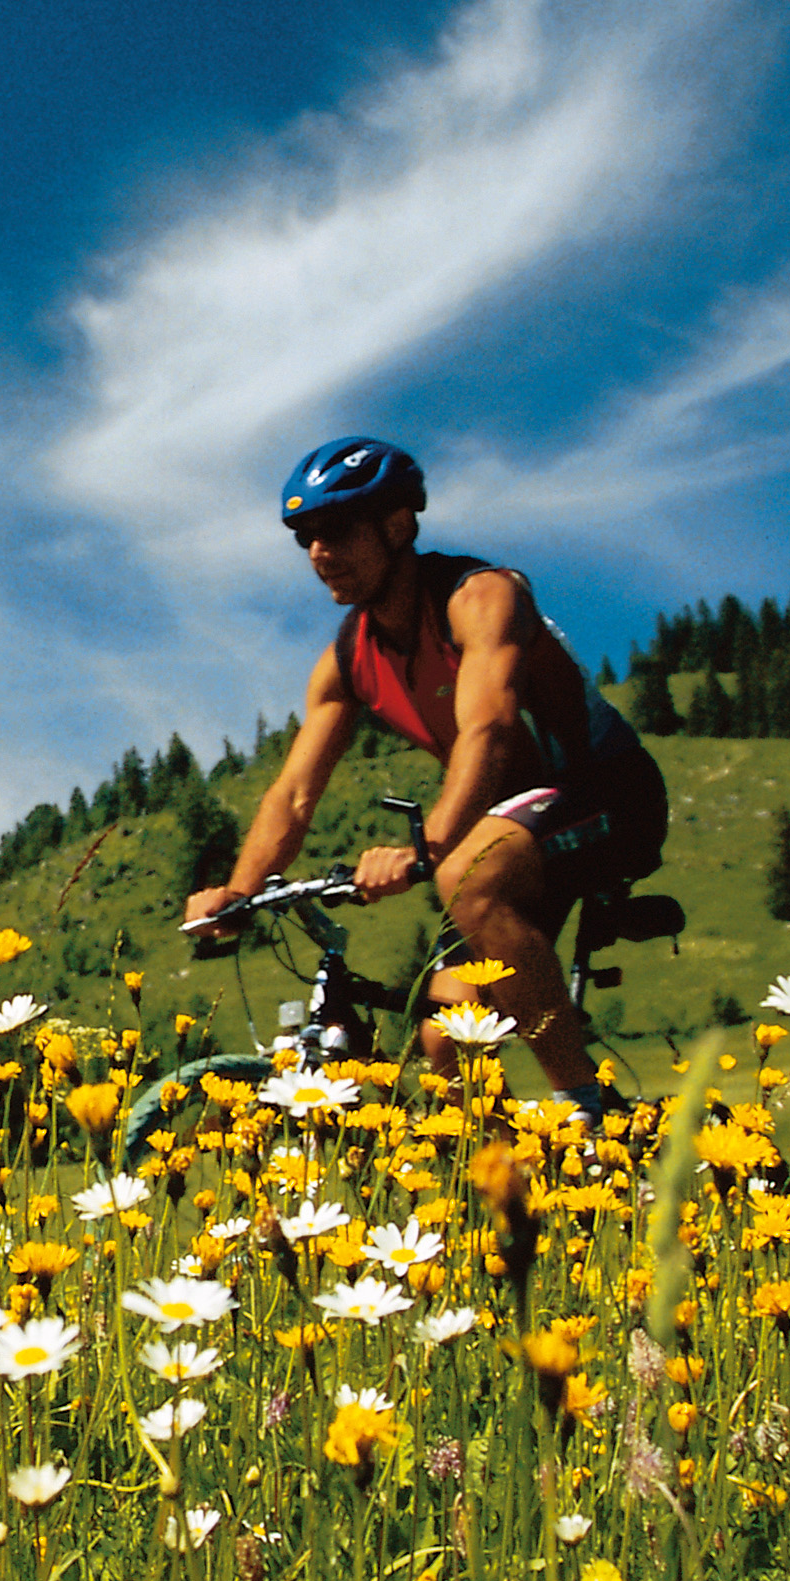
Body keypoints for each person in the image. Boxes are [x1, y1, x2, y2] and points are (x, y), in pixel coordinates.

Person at [183, 436, 665, 1099]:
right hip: (510, 826)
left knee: (468, 878)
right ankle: (517, 1194)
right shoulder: (348, 657)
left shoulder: (481, 598)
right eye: (304, 537)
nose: (319, 551)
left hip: (604, 791)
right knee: (446, 1038)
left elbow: (488, 728)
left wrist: (428, 845)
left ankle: (588, 1115)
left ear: (397, 523)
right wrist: (238, 891)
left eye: (337, 528)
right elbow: (293, 792)